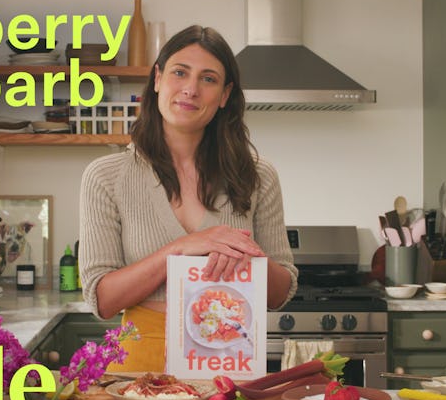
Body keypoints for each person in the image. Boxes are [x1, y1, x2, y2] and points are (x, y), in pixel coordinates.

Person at [79, 25, 298, 372]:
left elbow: (280, 293)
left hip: (231, 357)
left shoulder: (258, 176)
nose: (191, 89)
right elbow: (102, 299)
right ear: (157, 79)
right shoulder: (105, 176)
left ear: (225, 95)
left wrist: (250, 257)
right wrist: (181, 249)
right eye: (180, 72)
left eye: (208, 79)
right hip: (140, 362)